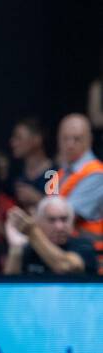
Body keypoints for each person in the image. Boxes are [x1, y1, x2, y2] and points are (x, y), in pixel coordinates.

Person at [5, 196, 99, 276]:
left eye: (64, 219)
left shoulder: (84, 245)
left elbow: (66, 266)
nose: (59, 227)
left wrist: (32, 231)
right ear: (39, 222)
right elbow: (10, 286)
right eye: (52, 220)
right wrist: (16, 248)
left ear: (72, 222)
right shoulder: (30, 248)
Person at [56, 113, 103, 272]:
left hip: (92, 262)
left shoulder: (96, 174)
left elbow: (62, 217)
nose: (70, 144)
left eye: (76, 139)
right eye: (65, 138)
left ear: (89, 140)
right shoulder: (62, 173)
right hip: (66, 255)